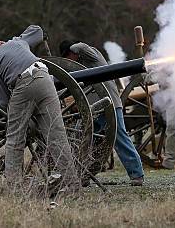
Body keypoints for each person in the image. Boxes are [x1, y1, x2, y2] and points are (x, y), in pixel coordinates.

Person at [0, 25, 78, 190]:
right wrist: (18, 38)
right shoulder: (18, 42)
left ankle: (14, 186)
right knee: (57, 135)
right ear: (1, 43)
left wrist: (21, 114)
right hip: (44, 76)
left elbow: (4, 102)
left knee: (14, 138)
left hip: (22, 83)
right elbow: (37, 31)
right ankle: (71, 184)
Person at [60, 40, 145, 186]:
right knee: (87, 139)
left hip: (109, 102)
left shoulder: (90, 54)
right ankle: (84, 174)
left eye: (68, 57)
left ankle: (137, 174)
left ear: (71, 53)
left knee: (120, 137)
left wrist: (72, 48)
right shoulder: (80, 64)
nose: (69, 62)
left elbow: (80, 46)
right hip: (95, 108)